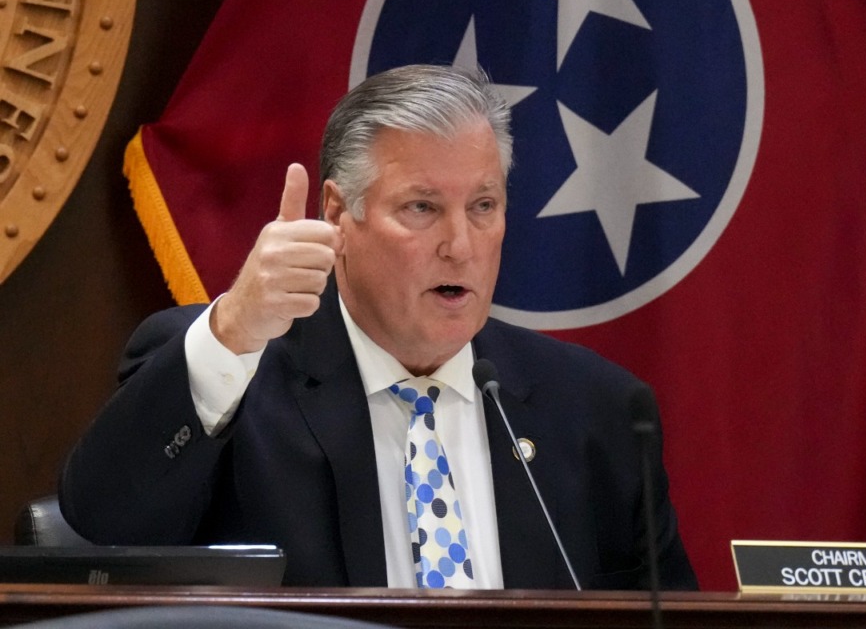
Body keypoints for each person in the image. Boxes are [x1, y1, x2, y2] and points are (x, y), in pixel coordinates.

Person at [60, 64, 698, 590]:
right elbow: (103, 519)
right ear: (339, 214)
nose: (460, 245)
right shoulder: (238, 377)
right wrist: (232, 328)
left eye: (483, 207)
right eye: (421, 207)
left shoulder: (597, 411)